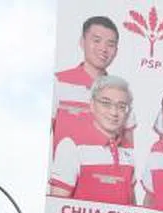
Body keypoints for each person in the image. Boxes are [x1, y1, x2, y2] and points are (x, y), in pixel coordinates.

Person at [49, 76, 136, 205]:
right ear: (92, 105)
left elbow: (131, 203)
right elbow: (57, 207)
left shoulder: (128, 149)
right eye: (106, 103)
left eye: (121, 106)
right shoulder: (71, 146)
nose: (114, 112)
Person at [52, 16, 135, 148]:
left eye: (110, 44)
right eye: (96, 40)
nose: (103, 48)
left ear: (116, 51)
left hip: (108, 168)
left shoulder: (120, 91)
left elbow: (128, 145)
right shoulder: (58, 82)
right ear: (82, 42)